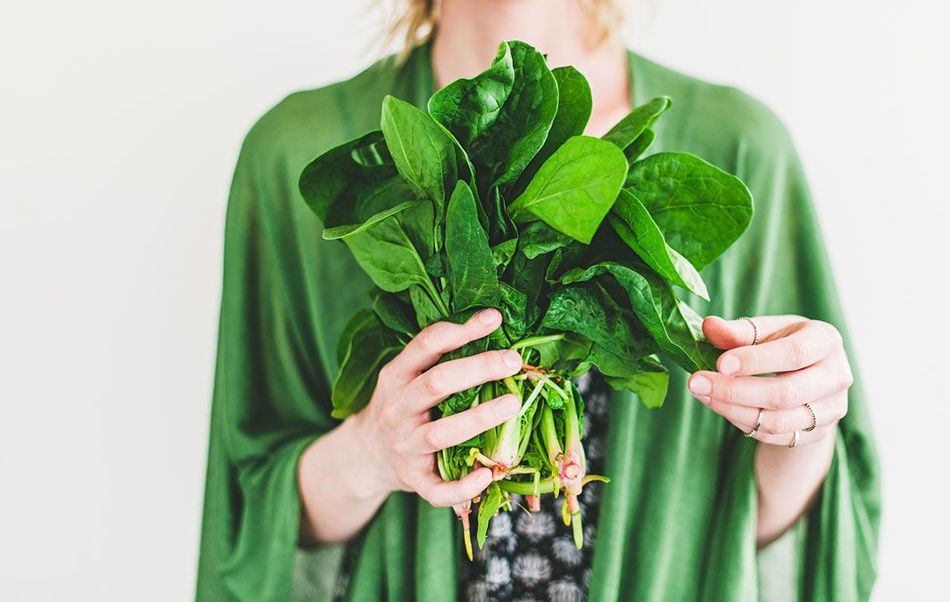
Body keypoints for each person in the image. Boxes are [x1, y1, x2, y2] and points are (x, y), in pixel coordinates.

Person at [195, 1, 881, 600]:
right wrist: (373, 452)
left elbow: (771, 537)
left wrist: (802, 424)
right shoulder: (293, 156)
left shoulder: (741, 148)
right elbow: (248, 524)